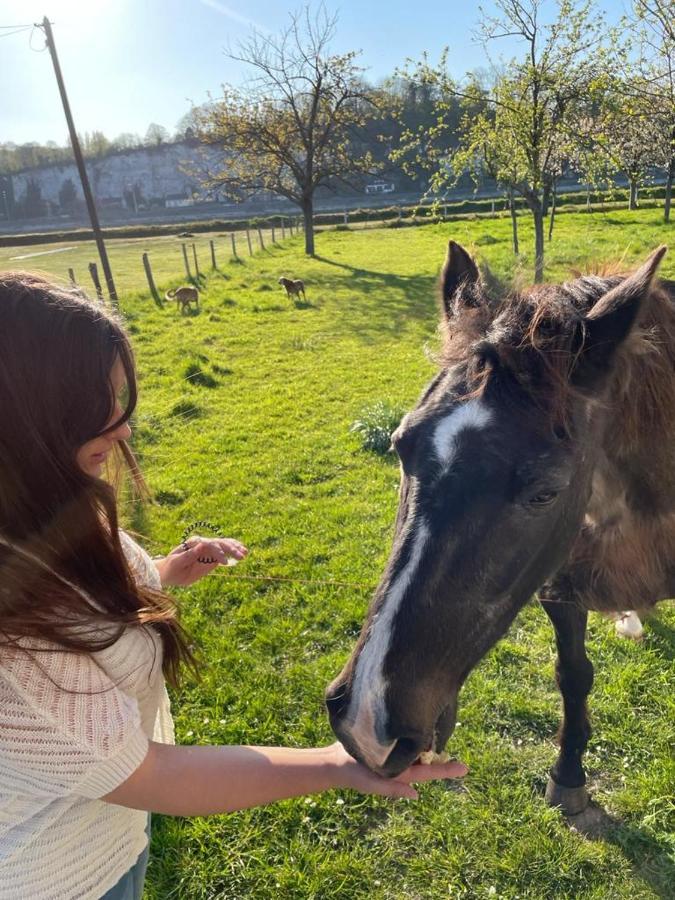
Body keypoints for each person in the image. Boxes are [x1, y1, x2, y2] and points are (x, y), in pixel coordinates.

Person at [0, 273, 467, 900]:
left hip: (111, 837)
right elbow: (158, 777)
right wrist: (337, 766)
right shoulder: (15, 650)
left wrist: (163, 571)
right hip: (60, 876)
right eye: (100, 406)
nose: (125, 428)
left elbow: (82, 601)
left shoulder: (43, 499)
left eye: (120, 398)